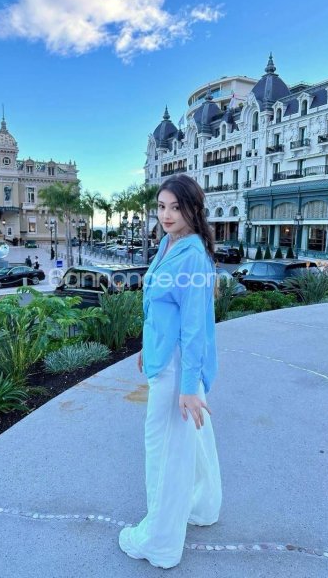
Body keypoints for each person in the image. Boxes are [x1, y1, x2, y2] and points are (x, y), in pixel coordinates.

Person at [119, 174, 222, 569]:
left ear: (192, 210)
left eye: (175, 208)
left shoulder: (192, 255)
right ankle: (204, 505)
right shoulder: (169, 243)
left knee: (164, 451)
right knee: (192, 439)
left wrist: (189, 387)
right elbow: (161, 308)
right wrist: (148, 346)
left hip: (179, 366)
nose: (166, 215)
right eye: (162, 207)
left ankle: (158, 542)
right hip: (168, 356)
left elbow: (194, 326)